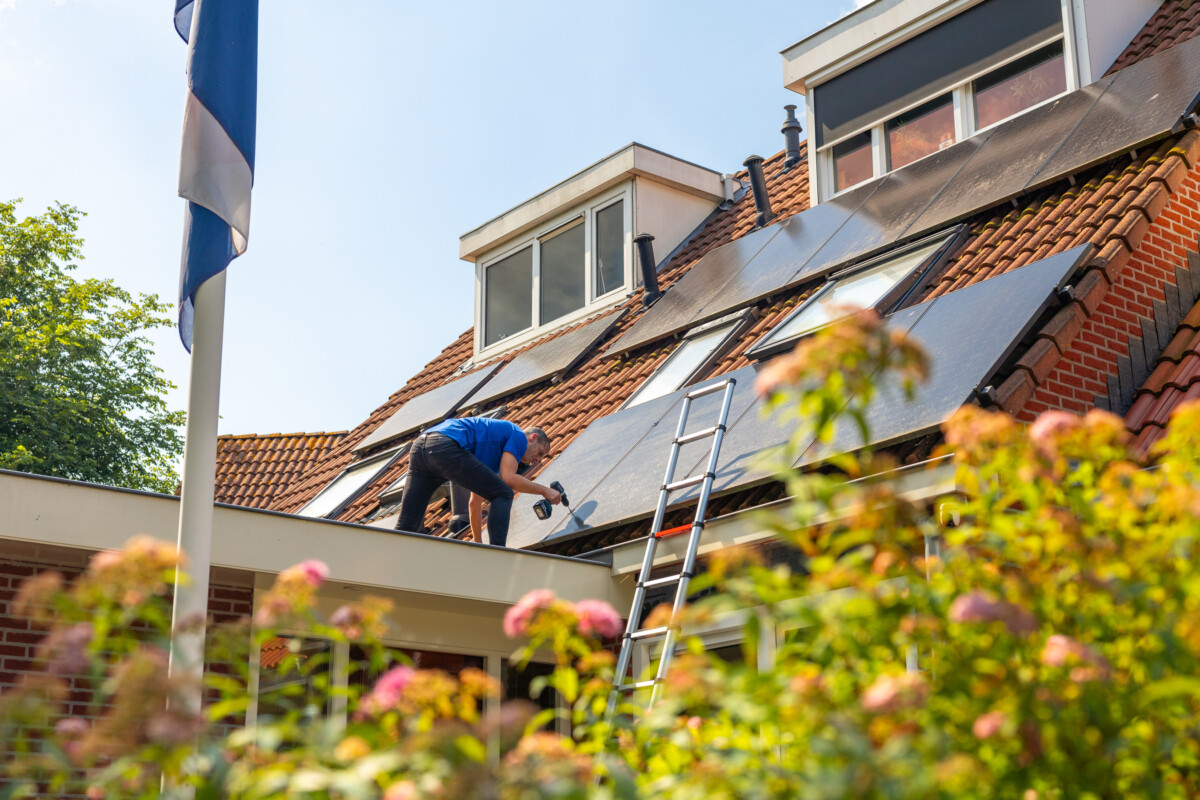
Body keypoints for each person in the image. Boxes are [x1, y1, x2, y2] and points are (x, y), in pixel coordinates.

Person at [395, 417, 560, 547]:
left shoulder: (490, 456)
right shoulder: (517, 435)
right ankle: (497, 553)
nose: (537, 460)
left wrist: (478, 542)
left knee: (406, 528)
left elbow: (474, 503)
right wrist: (545, 491)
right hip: (444, 444)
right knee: (503, 493)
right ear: (533, 438)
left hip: (420, 448)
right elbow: (508, 479)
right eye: (539, 453)